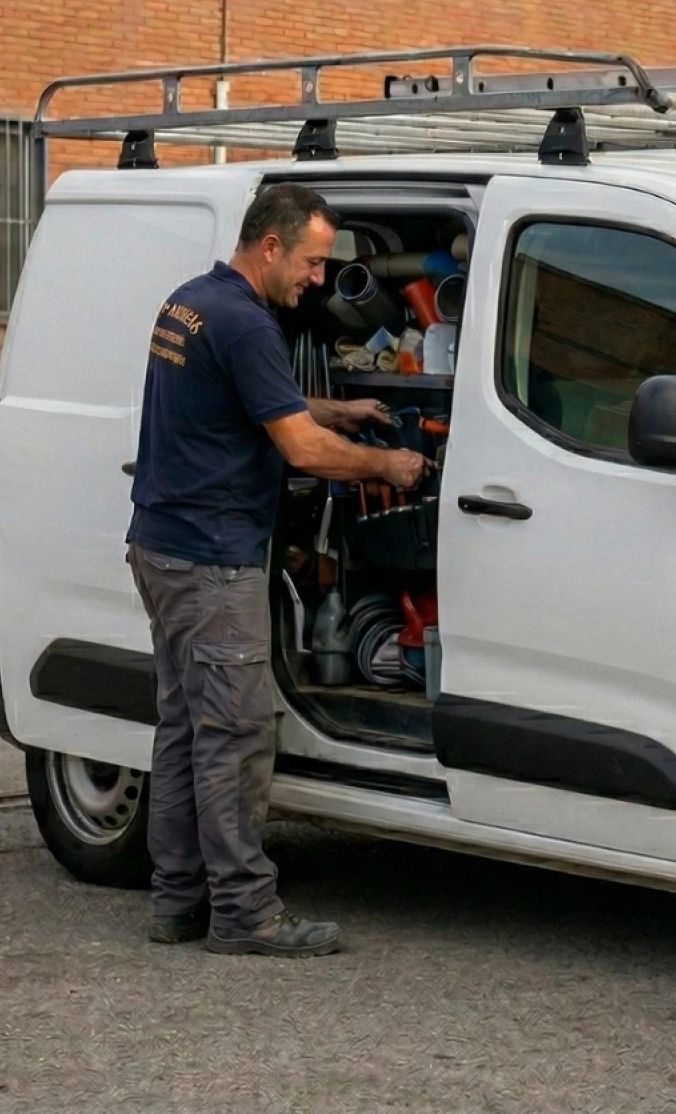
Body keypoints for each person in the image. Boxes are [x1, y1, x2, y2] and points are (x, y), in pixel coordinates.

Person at [126, 182, 429, 958]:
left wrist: (335, 409)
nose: (318, 280)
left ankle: (177, 900)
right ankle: (245, 913)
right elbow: (300, 448)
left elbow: (251, 400)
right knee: (236, 735)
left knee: (184, 727)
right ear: (270, 246)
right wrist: (387, 463)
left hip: (160, 547)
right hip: (212, 562)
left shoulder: (191, 303)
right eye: (312, 262)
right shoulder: (247, 322)